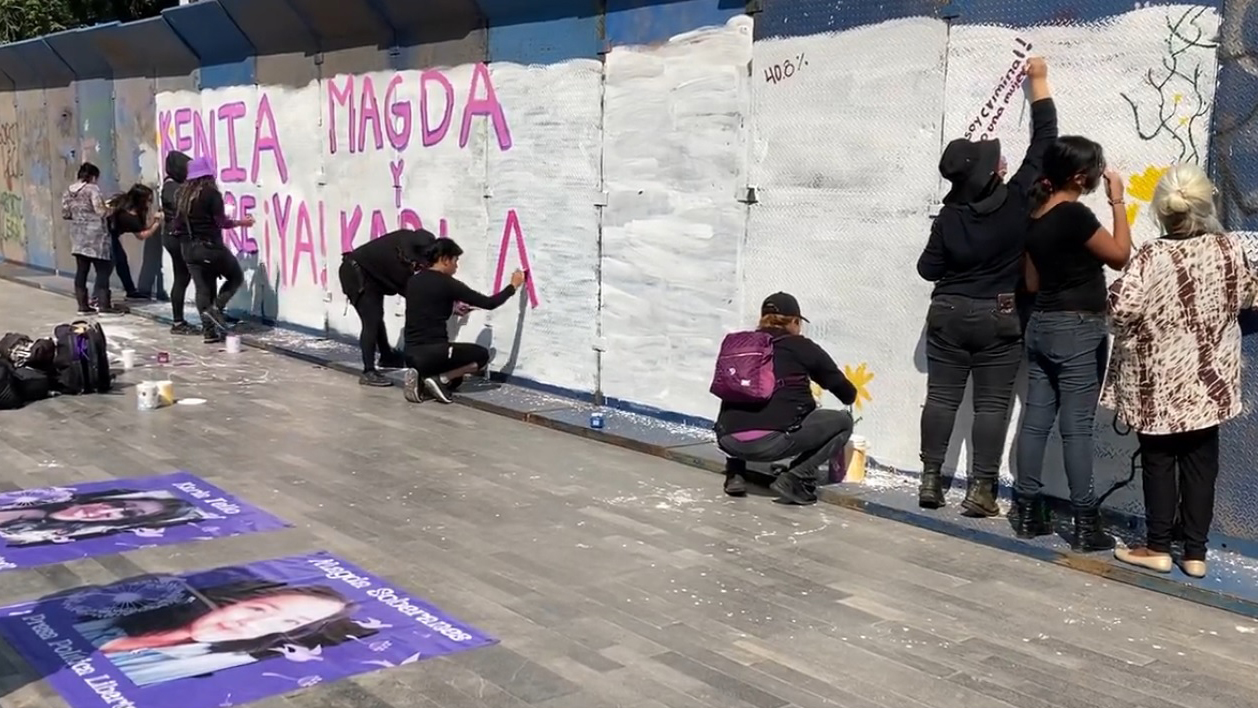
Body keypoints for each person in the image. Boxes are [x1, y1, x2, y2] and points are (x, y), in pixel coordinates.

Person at [915, 56, 1057, 517]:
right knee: (991, 406)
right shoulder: (1017, 199)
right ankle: (981, 490)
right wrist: (1039, 83)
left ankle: (930, 481)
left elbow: (927, 269)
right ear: (992, 173)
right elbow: (1045, 141)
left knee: (941, 398)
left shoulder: (949, 216)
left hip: (949, 313)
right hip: (1000, 315)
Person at [1103, 165, 1258, 578]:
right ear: (1207, 205)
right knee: (1201, 463)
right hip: (1210, 379)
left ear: (1162, 210)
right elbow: (1249, 294)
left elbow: (1120, 309)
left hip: (1156, 382)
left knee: (1158, 461)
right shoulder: (1229, 250)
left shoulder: (1152, 255)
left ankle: (1157, 547)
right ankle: (1195, 554)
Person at [1013, 137, 1131, 552]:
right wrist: (1118, 201)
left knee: (1035, 421)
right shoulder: (1075, 215)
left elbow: (1031, 284)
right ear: (1081, 177)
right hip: (1078, 328)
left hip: (1041, 325)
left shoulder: (1036, 215)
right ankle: (1084, 524)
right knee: (1076, 428)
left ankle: (1027, 513)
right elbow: (1119, 256)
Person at [76, 576, 374, 687]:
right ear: (236, 599)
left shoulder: (210, 665)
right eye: (259, 610)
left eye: (288, 623)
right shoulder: (134, 606)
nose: (250, 624)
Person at [713, 293, 857, 506]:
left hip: (728, 440)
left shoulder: (742, 345)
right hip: (769, 445)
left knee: (742, 397)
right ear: (795, 321)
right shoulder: (801, 346)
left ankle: (735, 473)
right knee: (843, 421)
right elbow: (846, 393)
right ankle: (796, 477)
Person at [402, 238, 524, 404]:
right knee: (481, 356)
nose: (456, 266)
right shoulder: (448, 283)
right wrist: (513, 286)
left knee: (457, 381)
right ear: (445, 259)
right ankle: (441, 379)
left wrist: (453, 309)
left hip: (410, 353)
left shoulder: (413, 281)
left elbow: (425, 307)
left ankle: (422, 379)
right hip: (435, 353)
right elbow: (489, 303)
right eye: (455, 260)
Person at [339, 228, 437, 386]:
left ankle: (387, 357)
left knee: (376, 316)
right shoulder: (398, 265)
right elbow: (411, 292)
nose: (420, 266)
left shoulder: (403, 241)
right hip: (355, 275)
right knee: (371, 320)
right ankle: (368, 372)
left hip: (369, 274)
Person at [175, 156, 255, 344]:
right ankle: (215, 309)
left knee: (203, 289)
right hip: (210, 248)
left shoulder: (181, 195)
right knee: (235, 276)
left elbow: (177, 224)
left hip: (189, 249)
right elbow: (221, 222)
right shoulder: (211, 194)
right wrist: (242, 222)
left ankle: (209, 332)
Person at [0, 490, 198, 546]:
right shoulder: (48, 503)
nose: (104, 510)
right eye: (119, 504)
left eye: (126, 515)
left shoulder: (36, 532)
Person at [61, 163, 116, 315]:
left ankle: (83, 306)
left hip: (78, 237)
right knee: (103, 270)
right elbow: (101, 211)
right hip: (96, 237)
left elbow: (65, 213)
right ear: (93, 176)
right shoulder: (92, 189)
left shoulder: (68, 191)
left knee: (82, 271)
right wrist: (112, 209)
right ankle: (104, 305)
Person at [159, 151, 198, 334]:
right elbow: (183, 208)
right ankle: (178, 322)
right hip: (177, 238)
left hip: (175, 237)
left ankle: (178, 321)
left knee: (183, 277)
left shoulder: (174, 185)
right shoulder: (171, 187)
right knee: (183, 278)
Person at [106, 183, 163, 302]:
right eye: (148, 200)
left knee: (120, 261)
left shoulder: (121, 201)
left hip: (106, 234)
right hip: (105, 236)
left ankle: (130, 290)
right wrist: (157, 223)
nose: (149, 203)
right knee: (108, 266)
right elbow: (142, 235)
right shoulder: (130, 216)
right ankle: (99, 295)